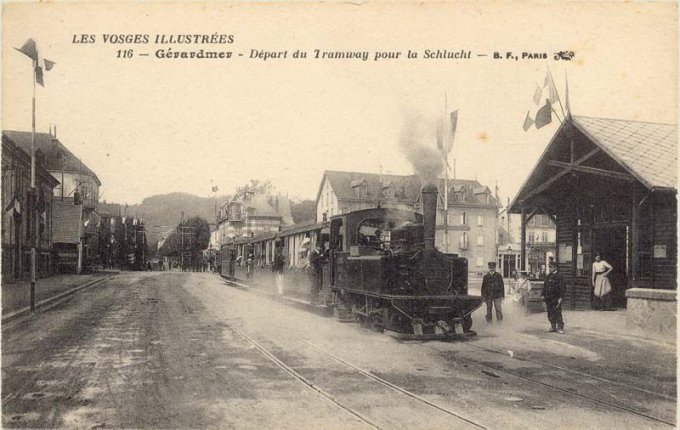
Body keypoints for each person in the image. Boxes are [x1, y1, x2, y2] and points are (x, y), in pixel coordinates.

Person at [541, 261, 566, 333]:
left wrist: (561, 297)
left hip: (556, 298)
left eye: (551, 267)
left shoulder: (560, 276)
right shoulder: (548, 276)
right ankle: (553, 326)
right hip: (548, 298)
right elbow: (544, 287)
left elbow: (562, 288)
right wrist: (542, 295)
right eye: (549, 267)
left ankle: (560, 328)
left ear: (555, 267)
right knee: (550, 312)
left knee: (557, 312)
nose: (549, 268)